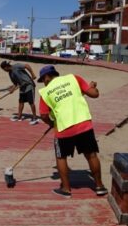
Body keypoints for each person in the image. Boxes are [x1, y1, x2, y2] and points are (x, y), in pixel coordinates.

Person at [37, 64, 107, 198]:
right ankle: (99, 186)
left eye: (42, 80)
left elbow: (44, 115)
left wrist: (52, 123)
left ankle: (66, 189)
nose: (43, 83)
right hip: (83, 124)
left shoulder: (45, 93)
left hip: (63, 129)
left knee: (61, 157)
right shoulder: (73, 78)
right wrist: (93, 87)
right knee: (91, 155)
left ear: (47, 77)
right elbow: (94, 94)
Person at [0, 60, 39, 125]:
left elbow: (27, 65)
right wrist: (12, 89)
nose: (4, 71)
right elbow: (15, 84)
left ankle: (34, 118)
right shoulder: (10, 74)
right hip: (22, 87)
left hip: (29, 85)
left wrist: (33, 74)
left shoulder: (16, 66)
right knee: (21, 102)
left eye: (4, 69)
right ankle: (19, 117)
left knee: (31, 102)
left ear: (6, 67)